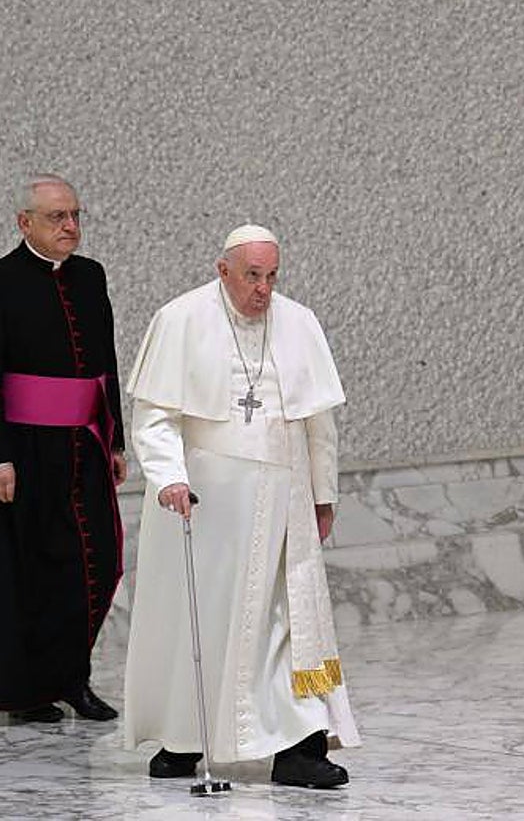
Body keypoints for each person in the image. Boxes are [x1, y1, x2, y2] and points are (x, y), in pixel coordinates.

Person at [123, 223, 359, 788]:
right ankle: (184, 740)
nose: (263, 289)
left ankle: (299, 750)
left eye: (272, 275)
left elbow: (319, 423)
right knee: (202, 623)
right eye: (252, 275)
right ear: (222, 269)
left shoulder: (298, 322)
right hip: (208, 504)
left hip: (285, 501)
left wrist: (323, 495)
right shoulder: (180, 319)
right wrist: (169, 477)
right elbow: (155, 417)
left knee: (286, 621)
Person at [0, 173, 126, 723]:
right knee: (28, 573)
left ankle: (72, 678)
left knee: (94, 564)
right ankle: (28, 693)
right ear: (24, 222)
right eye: (58, 217)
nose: (70, 226)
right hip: (22, 452)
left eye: (75, 215)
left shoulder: (90, 277)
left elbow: (105, 365)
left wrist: (114, 440)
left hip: (83, 447)